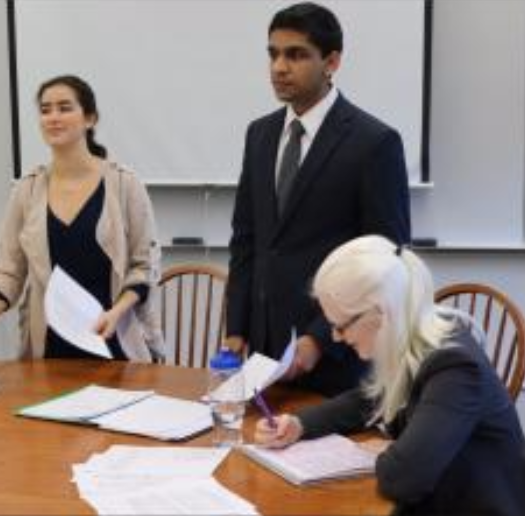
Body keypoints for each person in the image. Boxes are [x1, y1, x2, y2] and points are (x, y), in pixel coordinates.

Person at [255, 235, 525, 516]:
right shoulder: (417, 338)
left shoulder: (456, 367)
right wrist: (299, 424)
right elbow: (367, 400)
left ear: (379, 313)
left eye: (340, 326)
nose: (335, 337)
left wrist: (388, 451)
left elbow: (403, 479)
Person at [225, 2, 411, 396]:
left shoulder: (374, 143)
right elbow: (247, 240)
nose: (279, 67)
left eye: (295, 54)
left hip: (337, 360)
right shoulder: (259, 135)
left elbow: (384, 261)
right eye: (273, 53)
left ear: (332, 61)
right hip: (263, 354)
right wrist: (236, 328)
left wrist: (319, 339)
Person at [0, 75, 162, 361]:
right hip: (48, 350)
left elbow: (143, 266)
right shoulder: (26, 190)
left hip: (114, 343)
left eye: (64, 108)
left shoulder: (125, 185)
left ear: (90, 119)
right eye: (45, 110)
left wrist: (117, 312)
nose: (53, 117)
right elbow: (8, 273)